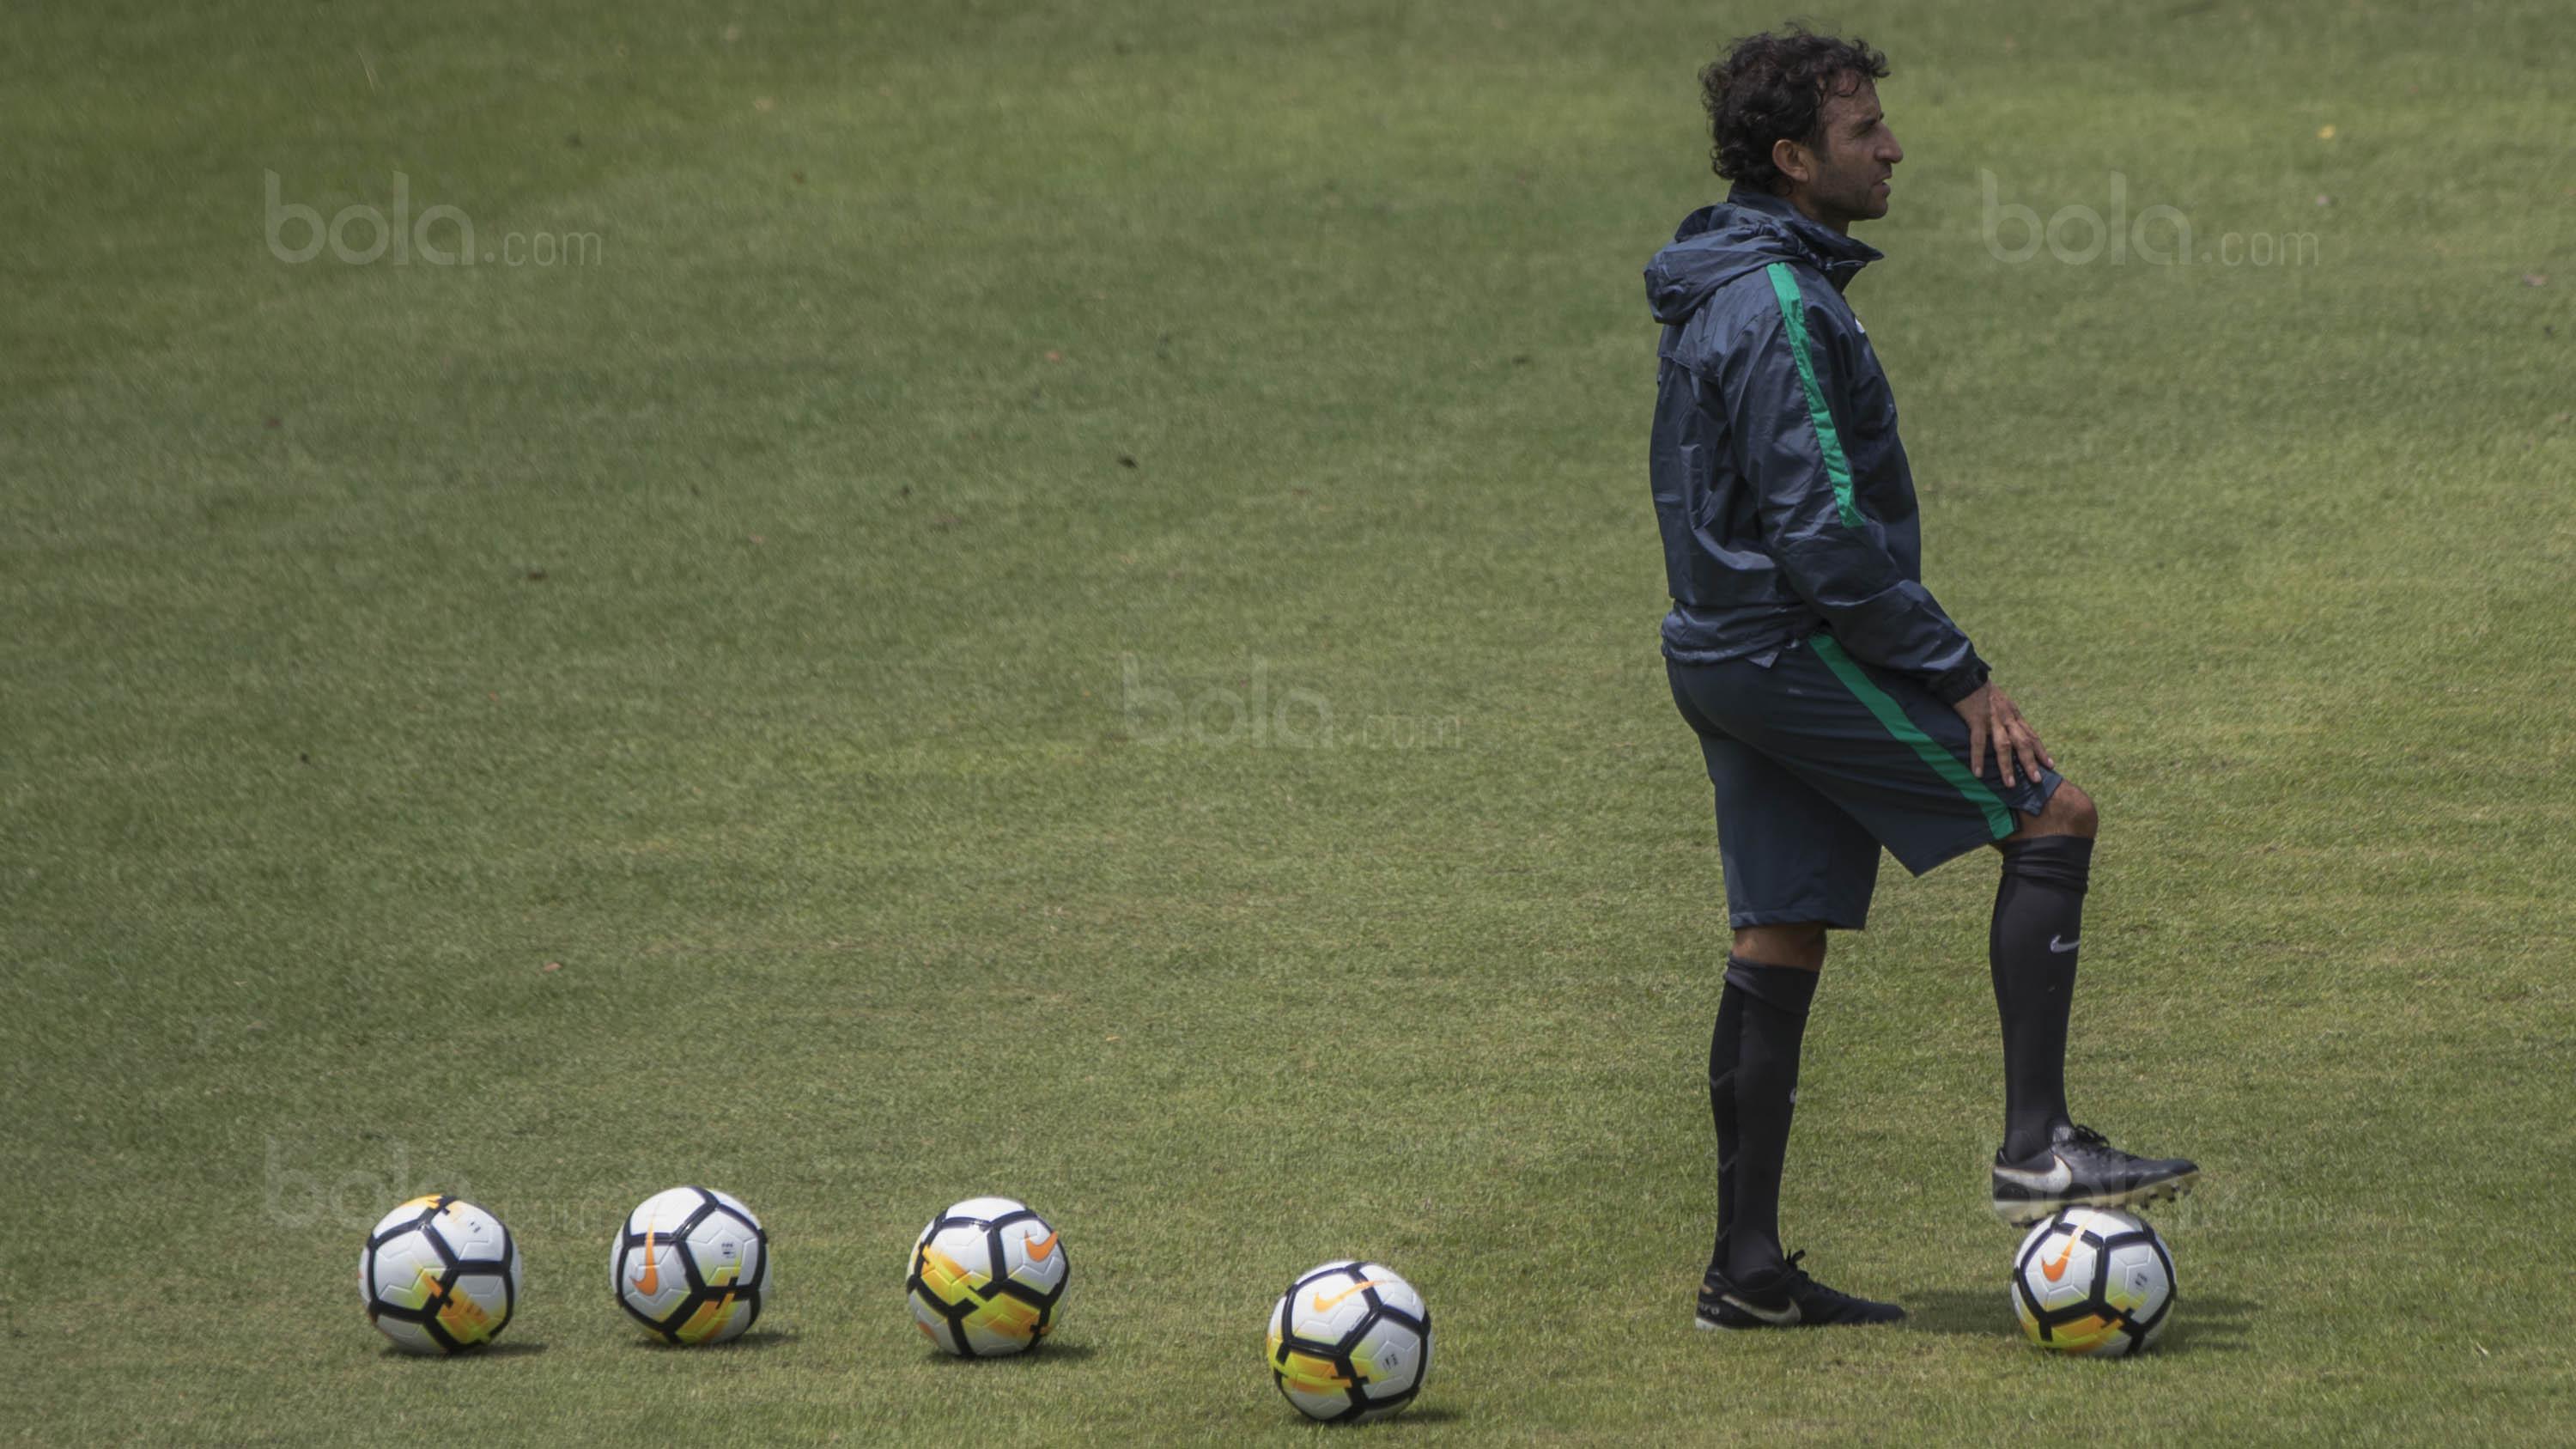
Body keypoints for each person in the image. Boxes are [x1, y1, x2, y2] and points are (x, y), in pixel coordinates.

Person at [1642, 27, 2198, 1330]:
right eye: (1861, 132)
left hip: (1722, 649)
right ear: (1792, 158)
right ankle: (2038, 1145)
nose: (1893, 147)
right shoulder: (1776, 301)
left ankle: (1748, 1271)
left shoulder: (1735, 280)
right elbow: (1823, 532)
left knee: (1778, 932)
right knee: (2053, 812)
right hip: (1788, 648)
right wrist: (1960, 677)